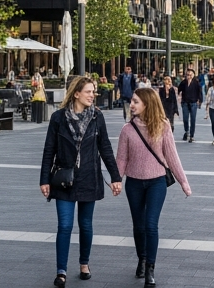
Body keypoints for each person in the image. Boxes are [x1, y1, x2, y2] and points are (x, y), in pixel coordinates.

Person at [39, 76, 122, 286]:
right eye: (88, 92)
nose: (93, 95)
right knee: (65, 226)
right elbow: (49, 150)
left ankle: (84, 263)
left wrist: (115, 177)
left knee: (85, 225)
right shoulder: (58, 118)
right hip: (64, 179)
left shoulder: (97, 117)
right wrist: (44, 179)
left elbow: (105, 149)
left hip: (89, 177)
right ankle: (61, 272)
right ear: (76, 93)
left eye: (93, 92)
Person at [117, 87, 191, 287]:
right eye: (132, 101)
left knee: (151, 225)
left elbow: (171, 156)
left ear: (147, 104)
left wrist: (183, 182)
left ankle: (150, 267)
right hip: (134, 183)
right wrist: (116, 180)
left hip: (157, 182)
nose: (131, 105)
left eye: (135, 102)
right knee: (138, 226)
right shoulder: (127, 129)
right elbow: (122, 158)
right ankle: (141, 258)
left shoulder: (163, 126)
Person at [176, 69, 202, 143]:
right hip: (185, 103)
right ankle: (186, 131)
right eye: (187, 74)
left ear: (193, 75)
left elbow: (199, 92)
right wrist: (178, 95)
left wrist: (200, 101)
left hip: (193, 103)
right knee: (185, 119)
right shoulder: (183, 82)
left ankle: (192, 135)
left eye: (190, 74)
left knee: (193, 119)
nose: (189, 76)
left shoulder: (196, 83)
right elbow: (178, 89)